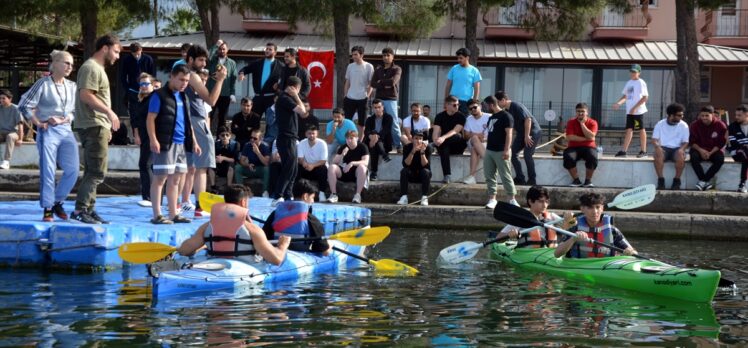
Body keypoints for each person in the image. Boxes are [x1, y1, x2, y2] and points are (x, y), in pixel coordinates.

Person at [17, 50, 79, 221]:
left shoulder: (72, 86)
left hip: (66, 129)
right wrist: (38, 122)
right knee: (48, 170)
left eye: (72, 64)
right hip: (48, 130)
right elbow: (24, 105)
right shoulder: (43, 84)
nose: (69, 67)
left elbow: (74, 110)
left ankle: (57, 200)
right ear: (55, 63)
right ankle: (48, 207)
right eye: (66, 63)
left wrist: (69, 117)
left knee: (73, 170)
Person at [71, 33, 121, 224]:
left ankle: (88, 209)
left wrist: (106, 125)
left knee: (92, 170)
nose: (117, 56)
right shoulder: (91, 67)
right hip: (93, 124)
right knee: (97, 172)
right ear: (105, 48)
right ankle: (81, 209)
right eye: (116, 51)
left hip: (97, 125)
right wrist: (109, 113)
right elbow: (86, 95)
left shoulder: (96, 68)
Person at [176, 184, 291, 265]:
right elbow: (277, 259)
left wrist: (202, 245)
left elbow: (183, 250)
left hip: (213, 268)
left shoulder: (207, 227)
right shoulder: (253, 230)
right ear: (243, 202)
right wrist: (283, 245)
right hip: (244, 273)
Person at [146, 64, 201, 225]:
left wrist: (195, 142)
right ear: (172, 76)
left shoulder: (184, 96)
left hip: (181, 143)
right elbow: (150, 119)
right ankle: (157, 214)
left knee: (176, 180)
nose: (184, 83)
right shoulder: (159, 95)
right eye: (181, 80)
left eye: (187, 81)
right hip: (165, 143)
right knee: (160, 179)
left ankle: (173, 213)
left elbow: (188, 121)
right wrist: (153, 139)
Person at [180, 44, 227, 218]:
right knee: (202, 167)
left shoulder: (183, 73)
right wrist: (221, 80)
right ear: (190, 59)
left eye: (205, 60)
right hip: (196, 121)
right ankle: (200, 207)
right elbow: (211, 101)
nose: (203, 63)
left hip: (187, 121)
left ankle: (182, 202)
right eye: (200, 59)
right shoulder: (192, 76)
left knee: (188, 167)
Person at [554, 192, 637, 258]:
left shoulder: (612, 230)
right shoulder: (574, 228)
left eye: (597, 207)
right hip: (580, 266)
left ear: (602, 208)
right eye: (590, 207)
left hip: (605, 267)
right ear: (582, 209)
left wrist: (630, 252)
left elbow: (634, 252)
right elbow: (557, 254)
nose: (595, 212)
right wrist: (573, 239)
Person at [262, 179, 331, 255]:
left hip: (277, 253)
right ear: (305, 196)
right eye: (312, 197)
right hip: (299, 256)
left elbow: (264, 238)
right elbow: (324, 251)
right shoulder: (312, 220)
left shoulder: (275, 213)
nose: (313, 201)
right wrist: (330, 245)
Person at [496, 186, 574, 248]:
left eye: (547, 201)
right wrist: (509, 235)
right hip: (528, 256)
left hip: (551, 254)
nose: (545, 205)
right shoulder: (521, 218)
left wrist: (571, 219)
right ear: (530, 201)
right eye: (541, 201)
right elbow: (498, 239)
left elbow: (570, 225)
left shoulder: (552, 217)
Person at [270, 76, 306, 206]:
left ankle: (288, 195)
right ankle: (278, 195)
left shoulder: (286, 99)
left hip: (290, 138)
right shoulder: (285, 98)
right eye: (298, 89)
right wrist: (296, 96)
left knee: (293, 168)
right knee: (288, 168)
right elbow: (303, 111)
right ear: (295, 88)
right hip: (286, 138)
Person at [496, 90, 542, 185]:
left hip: (532, 131)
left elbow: (528, 119)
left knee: (527, 155)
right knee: (513, 154)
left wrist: (527, 136)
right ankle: (520, 178)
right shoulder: (507, 111)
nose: (497, 104)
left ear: (503, 100)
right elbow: (511, 128)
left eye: (498, 102)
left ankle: (532, 179)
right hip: (521, 133)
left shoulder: (516, 106)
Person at [482, 95, 518, 209]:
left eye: (486, 105)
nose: (485, 108)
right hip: (489, 150)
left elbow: (509, 134)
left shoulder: (506, 116)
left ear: (491, 105)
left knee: (505, 175)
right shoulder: (491, 117)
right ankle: (492, 199)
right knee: (489, 175)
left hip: (501, 150)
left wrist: (507, 150)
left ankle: (512, 199)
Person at [129, 73, 156, 206]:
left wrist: (153, 138)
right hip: (144, 135)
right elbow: (136, 120)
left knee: (147, 164)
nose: (144, 86)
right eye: (142, 84)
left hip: (153, 136)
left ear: (152, 85)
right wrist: (137, 134)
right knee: (145, 165)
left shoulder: (154, 98)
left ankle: (150, 197)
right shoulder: (141, 100)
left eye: (146, 84)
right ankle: (147, 195)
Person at [239, 42, 284, 118]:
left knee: (270, 122)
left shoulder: (281, 66)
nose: (267, 51)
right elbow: (246, 69)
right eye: (266, 49)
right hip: (258, 97)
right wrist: (242, 73)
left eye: (270, 49)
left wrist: (279, 85)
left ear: (275, 52)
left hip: (271, 98)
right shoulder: (257, 63)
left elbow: (284, 80)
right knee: (253, 120)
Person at [613, 64, 649, 158]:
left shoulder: (641, 82)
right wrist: (618, 103)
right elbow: (626, 96)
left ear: (639, 73)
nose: (632, 73)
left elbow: (645, 97)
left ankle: (644, 151)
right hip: (630, 112)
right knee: (629, 129)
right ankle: (624, 151)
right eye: (631, 71)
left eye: (635, 72)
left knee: (641, 129)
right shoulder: (629, 82)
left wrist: (635, 108)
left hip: (638, 112)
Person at [371, 47, 403, 152]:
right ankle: (377, 143)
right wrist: (384, 84)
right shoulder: (378, 69)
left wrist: (380, 82)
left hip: (391, 99)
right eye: (384, 55)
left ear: (392, 57)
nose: (386, 57)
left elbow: (393, 82)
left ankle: (398, 145)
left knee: (394, 122)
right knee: (378, 121)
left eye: (388, 55)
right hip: (379, 99)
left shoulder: (397, 69)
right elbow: (372, 83)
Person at [651, 103, 689, 190]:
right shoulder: (660, 124)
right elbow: (654, 140)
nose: (682, 117)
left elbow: (686, 142)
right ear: (671, 115)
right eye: (679, 115)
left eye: (682, 115)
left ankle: (677, 180)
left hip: (677, 149)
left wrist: (682, 149)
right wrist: (657, 147)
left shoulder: (684, 125)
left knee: (680, 155)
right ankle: (661, 180)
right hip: (664, 148)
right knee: (657, 154)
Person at [689, 105, 727, 191]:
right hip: (699, 149)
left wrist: (710, 153)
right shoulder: (695, 125)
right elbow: (692, 141)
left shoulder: (720, 125)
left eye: (707, 115)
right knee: (693, 157)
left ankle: (703, 181)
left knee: (720, 159)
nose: (704, 118)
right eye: (702, 115)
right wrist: (701, 151)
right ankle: (704, 181)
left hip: (714, 150)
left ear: (712, 114)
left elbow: (721, 142)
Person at [432, 95, 467, 183]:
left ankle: (433, 145)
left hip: (457, 145)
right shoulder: (439, 116)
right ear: (447, 105)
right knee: (444, 147)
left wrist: (442, 138)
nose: (457, 107)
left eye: (458, 105)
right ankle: (447, 175)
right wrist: (435, 140)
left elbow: (455, 131)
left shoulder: (461, 116)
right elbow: (436, 131)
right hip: (444, 145)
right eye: (455, 105)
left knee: (457, 136)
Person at [327, 130, 369, 204]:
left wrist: (352, 163)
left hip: (357, 173)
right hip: (345, 171)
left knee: (362, 167)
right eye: (347, 138)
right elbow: (334, 162)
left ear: (356, 138)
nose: (349, 140)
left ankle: (357, 195)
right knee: (332, 167)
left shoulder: (362, 147)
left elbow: (366, 162)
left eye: (351, 138)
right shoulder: (343, 147)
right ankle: (333, 194)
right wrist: (342, 154)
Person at [563, 103, 599, 188]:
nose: (580, 113)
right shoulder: (571, 122)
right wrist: (587, 139)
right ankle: (576, 180)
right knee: (568, 157)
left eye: (583, 111)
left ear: (587, 112)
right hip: (573, 147)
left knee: (592, 157)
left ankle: (588, 181)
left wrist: (582, 124)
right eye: (578, 111)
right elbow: (569, 137)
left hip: (589, 147)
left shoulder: (593, 122)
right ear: (576, 112)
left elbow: (592, 136)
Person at [207, 39, 238, 134]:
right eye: (220, 49)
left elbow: (233, 79)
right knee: (208, 116)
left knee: (223, 118)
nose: (222, 51)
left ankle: (220, 139)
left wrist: (232, 93)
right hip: (211, 93)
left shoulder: (232, 63)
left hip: (225, 94)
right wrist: (216, 46)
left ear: (227, 50)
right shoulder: (212, 60)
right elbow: (208, 56)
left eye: (224, 49)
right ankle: (206, 135)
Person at [119, 42, 155, 122]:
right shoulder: (127, 60)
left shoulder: (148, 59)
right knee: (134, 114)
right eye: (134, 54)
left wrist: (151, 88)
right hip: (133, 90)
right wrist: (128, 89)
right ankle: (135, 133)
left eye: (138, 54)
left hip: (146, 90)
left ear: (141, 50)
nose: (136, 56)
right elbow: (123, 76)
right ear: (131, 52)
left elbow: (152, 75)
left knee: (146, 112)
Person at [343, 45, 374, 136]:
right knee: (347, 120)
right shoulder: (350, 66)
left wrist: (367, 96)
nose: (353, 57)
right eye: (352, 55)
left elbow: (371, 83)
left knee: (362, 122)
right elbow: (347, 81)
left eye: (355, 54)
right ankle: (348, 139)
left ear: (361, 55)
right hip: (350, 97)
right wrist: (345, 95)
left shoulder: (369, 66)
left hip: (362, 97)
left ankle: (360, 141)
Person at [396, 130, 431, 206]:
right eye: (416, 138)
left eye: (420, 139)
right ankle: (404, 197)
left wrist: (422, 152)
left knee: (426, 171)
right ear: (412, 139)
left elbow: (426, 166)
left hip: (422, 175)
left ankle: (424, 198)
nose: (418, 141)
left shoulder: (427, 148)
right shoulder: (407, 147)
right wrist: (413, 151)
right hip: (411, 174)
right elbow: (406, 164)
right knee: (404, 171)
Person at [363, 99, 394, 181]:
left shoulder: (388, 117)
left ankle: (374, 172)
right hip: (371, 142)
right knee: (374, 146)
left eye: (379, 107)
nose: (377, 109)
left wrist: (376, 137)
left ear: (383, 107)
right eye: (375, 107)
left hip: (384, 142)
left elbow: (386, 130)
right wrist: (371, 137)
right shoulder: (369, 119)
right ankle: (384, 155)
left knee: (375, 146)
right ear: (372, 108)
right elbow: (366, 131)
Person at [234, 129, 271, 197]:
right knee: (237, 168)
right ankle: (242, 191)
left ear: (260, 139)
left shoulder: (265, 146)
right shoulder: (247, 145)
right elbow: (241, 161)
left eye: (255, 138)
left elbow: (266, 163)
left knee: (267, 169)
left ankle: (265, 192)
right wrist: (248, 165)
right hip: (250, 168)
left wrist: (258, 152)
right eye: (251, 137)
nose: (252, 140)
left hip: (260, 169)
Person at [444, 48, 481, 114]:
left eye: (461, 58)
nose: (459, 60)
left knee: (465, 122)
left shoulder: (474, 70)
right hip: (453, 101)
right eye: (458, 58)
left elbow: (477, 88)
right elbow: (448, 85)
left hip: (466, 102)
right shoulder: (454, 68)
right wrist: (446, 100)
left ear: (467, 57)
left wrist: (474, 102)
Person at [297, 125, 329, 201]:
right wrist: (304, 163)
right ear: (306, 134)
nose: (311, 135)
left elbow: (323, 161)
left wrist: (313, 165)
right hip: (306, 166)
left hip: (317, 167)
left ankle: (322, 193)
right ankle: (297, 193)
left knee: (323, 169)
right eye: (309, 133)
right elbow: (300, 158)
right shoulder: (302, 143)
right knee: (297, 168)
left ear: (317, 133)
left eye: (313, 133)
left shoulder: (322, 143)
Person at [462, 98, 490, 185]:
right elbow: (466, 135)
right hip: (473, 142)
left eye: (475, 107)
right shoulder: (469, 119)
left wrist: (484, 138)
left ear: (480, 106)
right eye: (470, 109)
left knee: (475, 149)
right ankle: (489, 162)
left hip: (486, 143)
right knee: (474, 139)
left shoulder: (489, 117)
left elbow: (495, 134)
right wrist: (477, 135)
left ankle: (472, 177)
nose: (473, 110)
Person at [0, 89, 23, 170]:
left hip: (13, 133)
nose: (1, 100)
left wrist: (20, 139)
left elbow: (20, 125)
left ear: (10, 99)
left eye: (3, 98)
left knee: (10, 136)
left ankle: (6, 162)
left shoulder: (16, 109)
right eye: (0, 98)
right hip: (2, 132)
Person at [727, 105, 748, 193]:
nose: (736, 117)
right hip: (736, 152)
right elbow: (733, 143)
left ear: (746, 114)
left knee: (746, 156)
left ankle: (742, 184)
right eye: (736, 115)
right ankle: (742, 183)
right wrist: (744, 145)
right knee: (745, 152)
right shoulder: (732, 126)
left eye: (739, 115)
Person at [212, 126, 240, 191]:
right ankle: (213, 187)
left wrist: (223, 158)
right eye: (223, 135)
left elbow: (235, 159)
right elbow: (211, 157)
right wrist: (215, 160)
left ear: (230, 136)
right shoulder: (215, 144)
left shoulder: (235, 144)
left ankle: (229, 188)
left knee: (231, 167)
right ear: (219, 136)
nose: (225, 137)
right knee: (211, 167)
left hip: (229, 165)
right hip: (219, 165)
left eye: (227, 135)